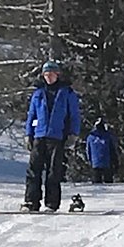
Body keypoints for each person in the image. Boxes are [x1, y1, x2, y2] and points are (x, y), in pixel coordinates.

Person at [23, 60, 81, 212]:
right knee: (33, 170)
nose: (49, 77)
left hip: (57, 136)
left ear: (57, 75)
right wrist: (28, 134)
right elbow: (31, 115)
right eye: (46, 74)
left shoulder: (67, 93)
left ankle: (51, 203)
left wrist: (73, 134)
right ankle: (31, 202)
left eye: (51, 74)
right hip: (39, 135)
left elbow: (74, 115)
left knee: (54, 171)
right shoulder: (38, 93)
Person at [85, 117, 119, 185]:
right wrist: (115, 161)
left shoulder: (90, 137)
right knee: (108, 184)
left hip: (95, 163)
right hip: (107, 163)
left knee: (96, 185)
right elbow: (112, 149)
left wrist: (90, 161)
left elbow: (88, 151)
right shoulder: (108, 136)